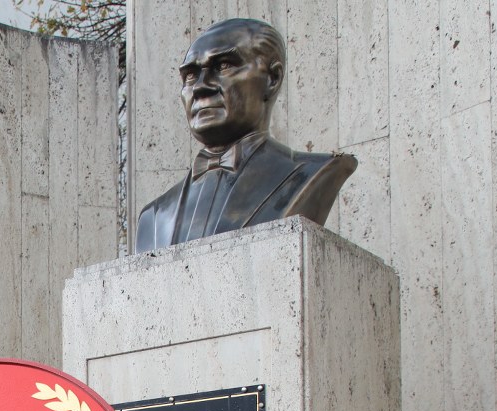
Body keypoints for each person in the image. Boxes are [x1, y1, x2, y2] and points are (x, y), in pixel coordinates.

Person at [133, 18, 357, 253]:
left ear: (273, 78)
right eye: (190, 75)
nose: (200, 87)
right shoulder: (154, 216)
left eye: (224, 66)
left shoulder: (309, 174)